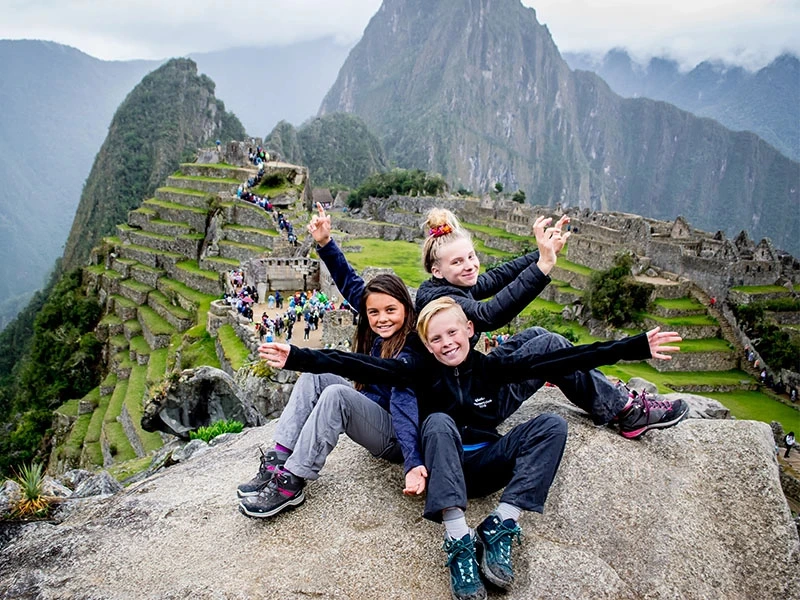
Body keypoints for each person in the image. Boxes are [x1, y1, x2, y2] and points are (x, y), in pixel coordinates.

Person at [259, 297, 684, 600]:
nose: (447, 343)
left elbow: (565, 360)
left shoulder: (494, 368)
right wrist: (296, 355)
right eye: (436, 339)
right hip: (446, 471)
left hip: (485, 464)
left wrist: (636, 347)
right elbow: (355, 364)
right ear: (426, 345)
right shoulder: (418, 374)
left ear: (470, 332)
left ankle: (502, 523)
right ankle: (459, 542)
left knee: (551, 425)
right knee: (439, 422)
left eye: (453, 333)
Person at [415, 207, 689, 439]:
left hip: (467, 384)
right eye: (458, 261)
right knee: (550, 345)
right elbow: (489, 315)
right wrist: (543, 266)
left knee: (536, 334)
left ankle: (616, 400)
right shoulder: (442, 300)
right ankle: (626, 411)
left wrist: (541, 252)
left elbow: (496, 278)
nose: (470, 266)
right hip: (468, 405)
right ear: (437, 270)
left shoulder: (449, 284)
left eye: (471, 257)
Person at [236, 242, 426, 521]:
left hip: (395, 436)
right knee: (316, 376)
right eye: (374, 312)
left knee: (337, 394)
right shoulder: (378, 332)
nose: (381, 318)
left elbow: (403, 404)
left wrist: (413, 460)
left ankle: (293, 480)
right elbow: (350, 283)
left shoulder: (411, 349)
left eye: (390, 310)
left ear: (407, 309)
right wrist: (325, 244)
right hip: (374, 414)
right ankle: (279, 459)